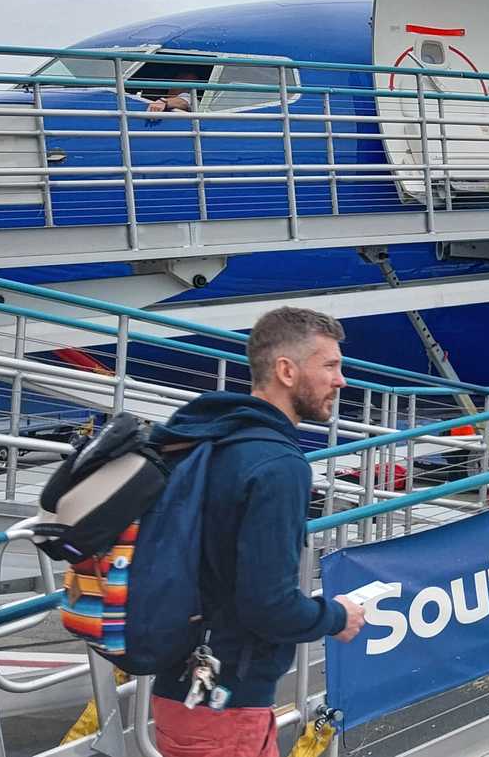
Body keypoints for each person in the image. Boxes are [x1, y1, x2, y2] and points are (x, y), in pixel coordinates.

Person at [149, 307, 363, 757]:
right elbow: (269, 605)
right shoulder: (278, 466)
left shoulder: (205, 437)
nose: (341, 380)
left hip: (178, 691)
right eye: (329, 365)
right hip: (227, 706)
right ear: (286, 370)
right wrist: (338, 617)